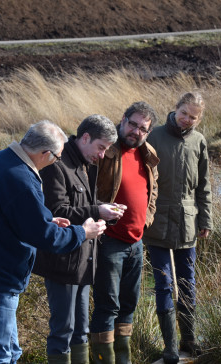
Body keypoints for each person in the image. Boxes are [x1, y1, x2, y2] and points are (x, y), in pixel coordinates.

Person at [0, 120, 107, 364]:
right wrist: (83, 232)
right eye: (57, 157)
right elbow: (46, 238)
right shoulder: (21, 178)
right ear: (45, 153)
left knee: (11, 351)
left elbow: (16, 217)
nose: (57, 162)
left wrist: (47, 219)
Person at [32, 115, 121, 364]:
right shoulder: (56, 164)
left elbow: (81, 205)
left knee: (81, 331)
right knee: (63, 331)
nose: (102, 155)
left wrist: (105, 209)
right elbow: (56, 211)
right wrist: (96, 211)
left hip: (83, 261)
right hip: (61, 263)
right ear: (85, 138)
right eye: (101, 148)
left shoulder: (85, 163)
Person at [143, 92, 213, 364]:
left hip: (187, 221)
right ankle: (169, 347)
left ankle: (189, 340)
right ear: (176, 108)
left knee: (187, 283)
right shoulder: (154, 137)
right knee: (163, 283)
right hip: (157, 219)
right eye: (184, 113)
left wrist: (206, 220)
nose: (187, 119)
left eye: (193, 116)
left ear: (199, 118)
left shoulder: (199, 141)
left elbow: (203, 186)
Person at [90, 101, 160, 364]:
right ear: (123, 120)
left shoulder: (147, 153)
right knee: (108, 306)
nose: (136, 131)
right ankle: (102, 360)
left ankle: (123, 360)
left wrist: (145, 221)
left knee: (129, 305)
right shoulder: (106, 149)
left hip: (136, 242)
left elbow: (153, 191)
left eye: (143, 128)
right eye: (133, 124)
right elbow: (87, 188)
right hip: (110, 241)